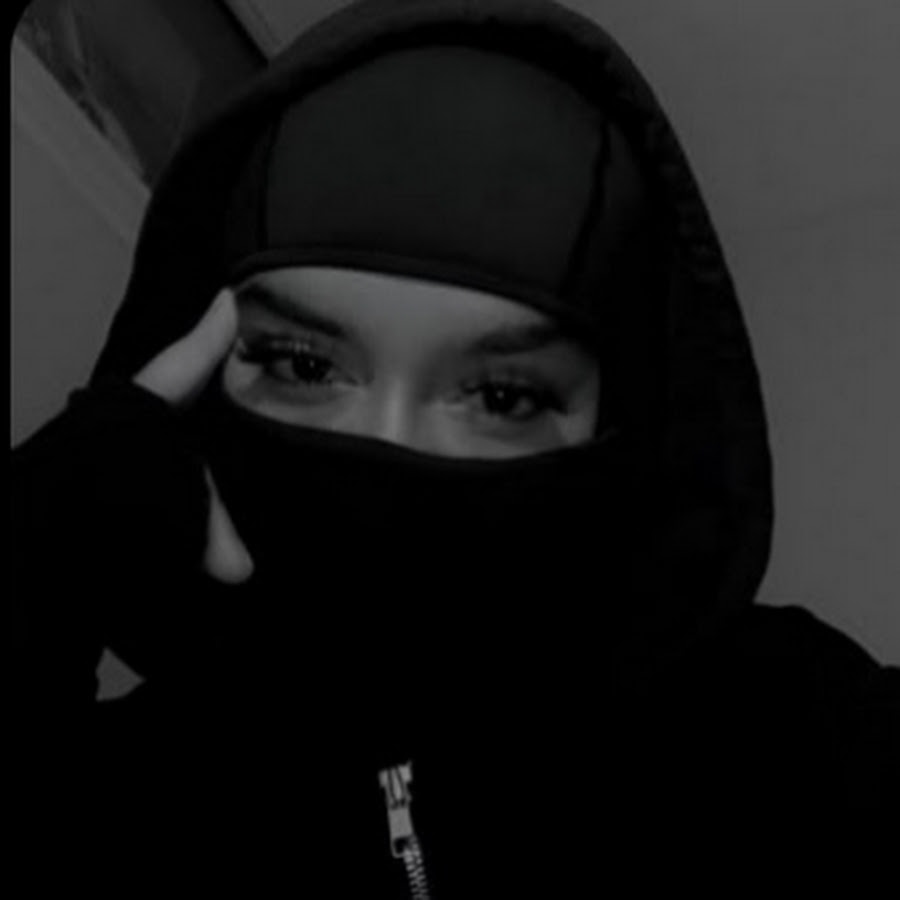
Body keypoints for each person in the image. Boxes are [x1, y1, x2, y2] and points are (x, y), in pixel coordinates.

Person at [11, 0, 898, 892]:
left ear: (618, 431)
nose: (385, 445)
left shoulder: (785, 729)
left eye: (503, 396)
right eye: (303, 364)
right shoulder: (134, 788)